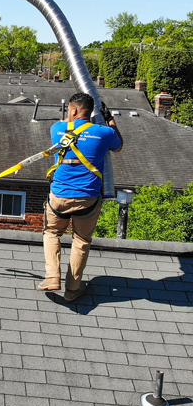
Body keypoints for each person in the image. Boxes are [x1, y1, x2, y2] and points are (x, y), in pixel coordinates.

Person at [39, 92, 123, 301]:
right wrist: (110, 120)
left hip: (59, 196)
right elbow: (118, 145)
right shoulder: (104, 133)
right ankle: (72, 289)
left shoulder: (58, 129)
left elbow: (70, 126)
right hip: (88, 198)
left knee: (51, 233)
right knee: (81, 240)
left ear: (74, 110)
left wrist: (71, 118)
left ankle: (52, 277)